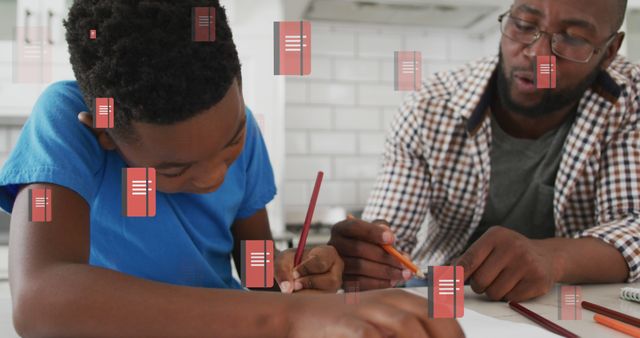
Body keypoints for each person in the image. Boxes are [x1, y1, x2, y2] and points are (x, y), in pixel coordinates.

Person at [0, 1, 463, 336]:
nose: (212, 178)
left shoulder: (247, 132)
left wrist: (291, 276)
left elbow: (256, 271)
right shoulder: (65, 121)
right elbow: (41, 298)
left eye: (230, 146)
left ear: (239, 83)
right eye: (175, 169)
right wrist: (289, 318)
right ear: (104, 131)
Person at [330, 0, 639, 302]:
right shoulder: (429, 107)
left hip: (569, 300)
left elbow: (633, 226)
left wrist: (553, 258)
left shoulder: (631, 99)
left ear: (610, 51)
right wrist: (370, 256)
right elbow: (390, 235)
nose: (537, 54)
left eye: (572, 37)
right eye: (524, 25)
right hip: (441, 293)